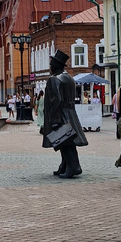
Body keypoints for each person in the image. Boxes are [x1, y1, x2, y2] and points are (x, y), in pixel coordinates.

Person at [42, 50, 87, 178]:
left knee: (65, 141)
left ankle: (73, 167)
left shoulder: (55, 80)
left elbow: (57, 100)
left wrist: (54, 119)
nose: (50, 67)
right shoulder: (69, 78)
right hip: (70, 113)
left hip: (61, 114)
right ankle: (65, 165)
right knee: (66, 140)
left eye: (51, 64)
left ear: (56, 65)